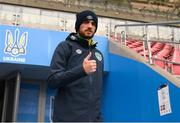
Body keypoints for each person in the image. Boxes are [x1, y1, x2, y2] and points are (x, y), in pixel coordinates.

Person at [47, 10, 104, 122]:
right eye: (86, 22)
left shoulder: (99, 55)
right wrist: (81, 70)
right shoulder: (65, 47)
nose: (90, 26)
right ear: (78, 26)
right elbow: (52, 80)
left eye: (93, 24)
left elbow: (96, 94)